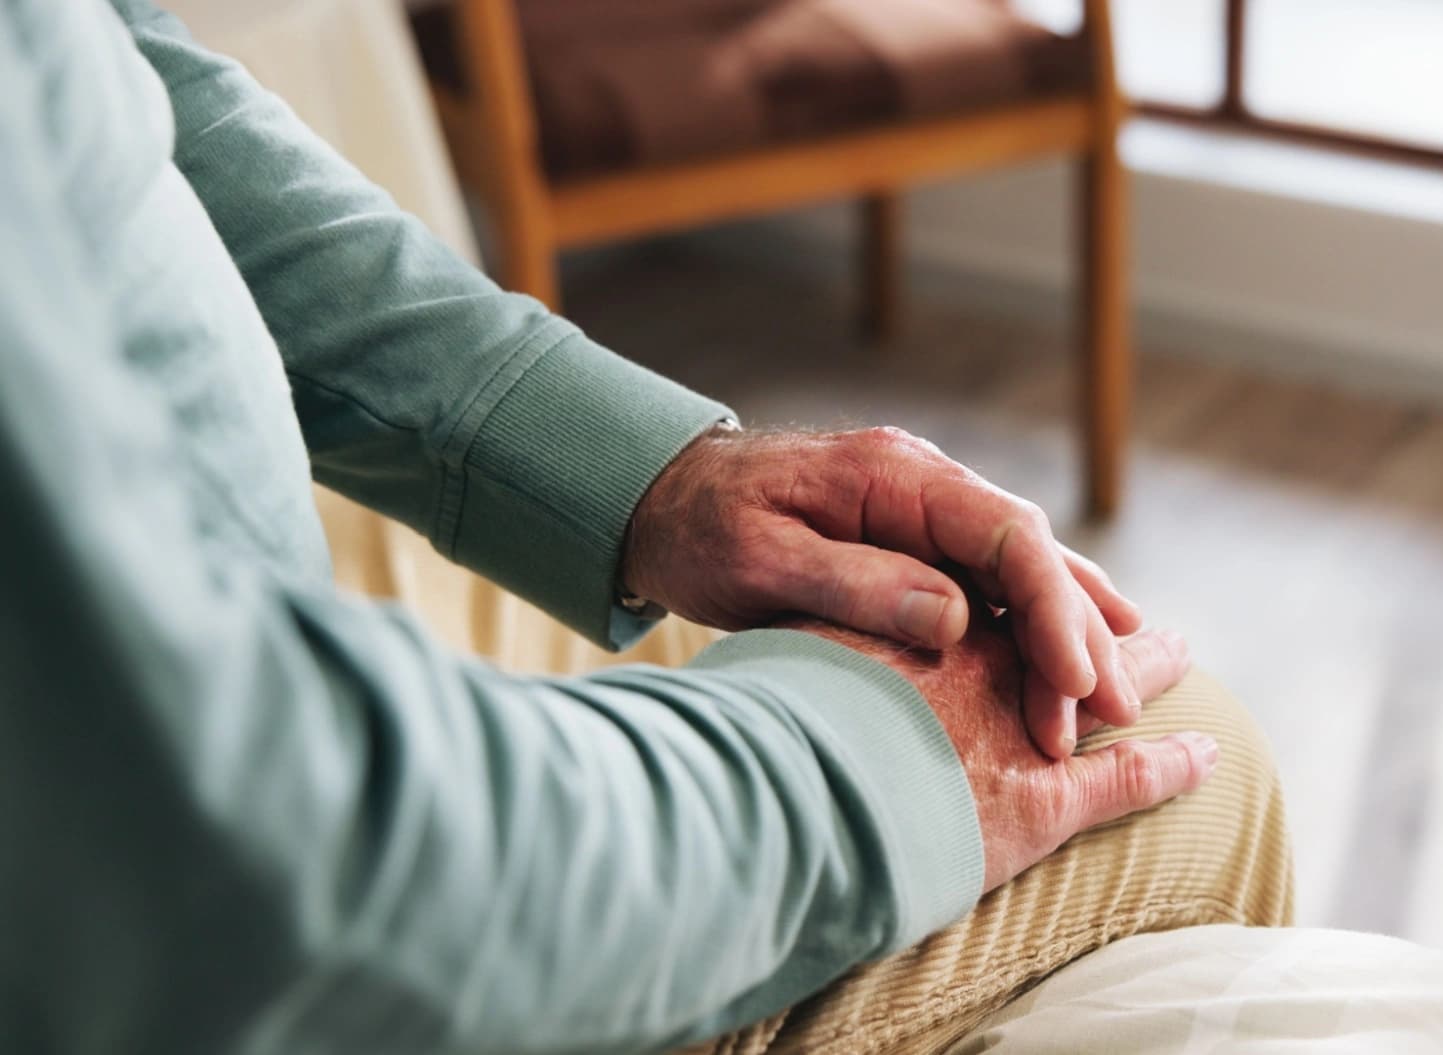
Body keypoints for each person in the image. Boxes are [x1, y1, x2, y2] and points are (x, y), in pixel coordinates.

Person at [0, 2, 1292, 1052]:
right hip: (261, 926)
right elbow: (222, 858)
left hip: (252, 619)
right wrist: (852, 772)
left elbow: (125, 81)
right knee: (1186, 757)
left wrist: (652, 476)